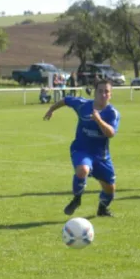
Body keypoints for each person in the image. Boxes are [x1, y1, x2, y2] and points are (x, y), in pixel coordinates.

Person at [43, 79, 120, 217]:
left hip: (101, 156)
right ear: (95, 93)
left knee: (110, 189)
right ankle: (77, 199)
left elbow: (110, 133)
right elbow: (66, 100)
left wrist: (98, 120)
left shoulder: (112, 113)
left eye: (106, 92)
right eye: (100, 91)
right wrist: (51, 109)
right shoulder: (83, 105)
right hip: (81, 149)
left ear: (110, 95)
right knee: (83, 169)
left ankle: (102, 209)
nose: (103, 94)